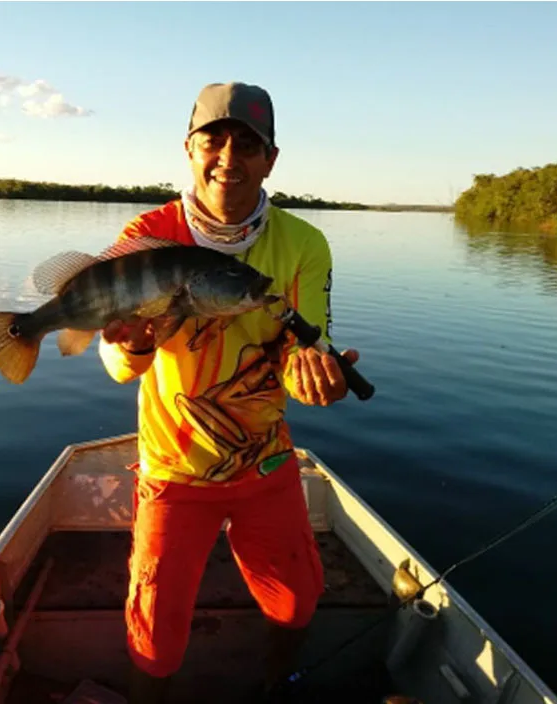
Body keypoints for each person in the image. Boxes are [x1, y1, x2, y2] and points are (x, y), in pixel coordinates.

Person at [97, 82, 361, 703]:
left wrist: (317, 377)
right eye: (213, 140)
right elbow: (117, 366)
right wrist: (133, 342)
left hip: (265, 461)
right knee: (155, 638)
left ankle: (275, 682)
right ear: (189, 149)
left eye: (248, 143)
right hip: (173, 469)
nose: (228, 157)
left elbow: (304, 348)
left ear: (270, 159)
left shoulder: (303, 244)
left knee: (297, 601)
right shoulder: (149, 232)